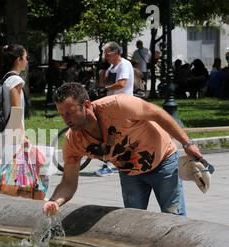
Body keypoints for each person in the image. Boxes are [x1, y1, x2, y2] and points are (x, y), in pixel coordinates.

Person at [43, 82, 204, 217]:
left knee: (174, 217)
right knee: (133, 221)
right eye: (62, 115)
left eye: (69, 113)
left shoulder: (118, 106)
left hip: (164, 161)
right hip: (130, 173)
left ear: (86, 105)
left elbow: (158, 114)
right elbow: (69, 183)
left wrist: (187, 144)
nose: (66, 120)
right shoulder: (73, 141)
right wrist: (54, 202)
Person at [96, 41, 134, 177]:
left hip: (122, 103)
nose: (106, 57)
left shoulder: (124, 65)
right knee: (112, 132)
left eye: (108, 54)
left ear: (117, 53)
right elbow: (104, 81)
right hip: (112, 102)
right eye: (105, 55)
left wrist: (105, 88)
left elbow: (122, 83)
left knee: (112, 133)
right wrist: (102, 74)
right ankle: (114, 160)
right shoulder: (113, 66)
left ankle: (109, 163)